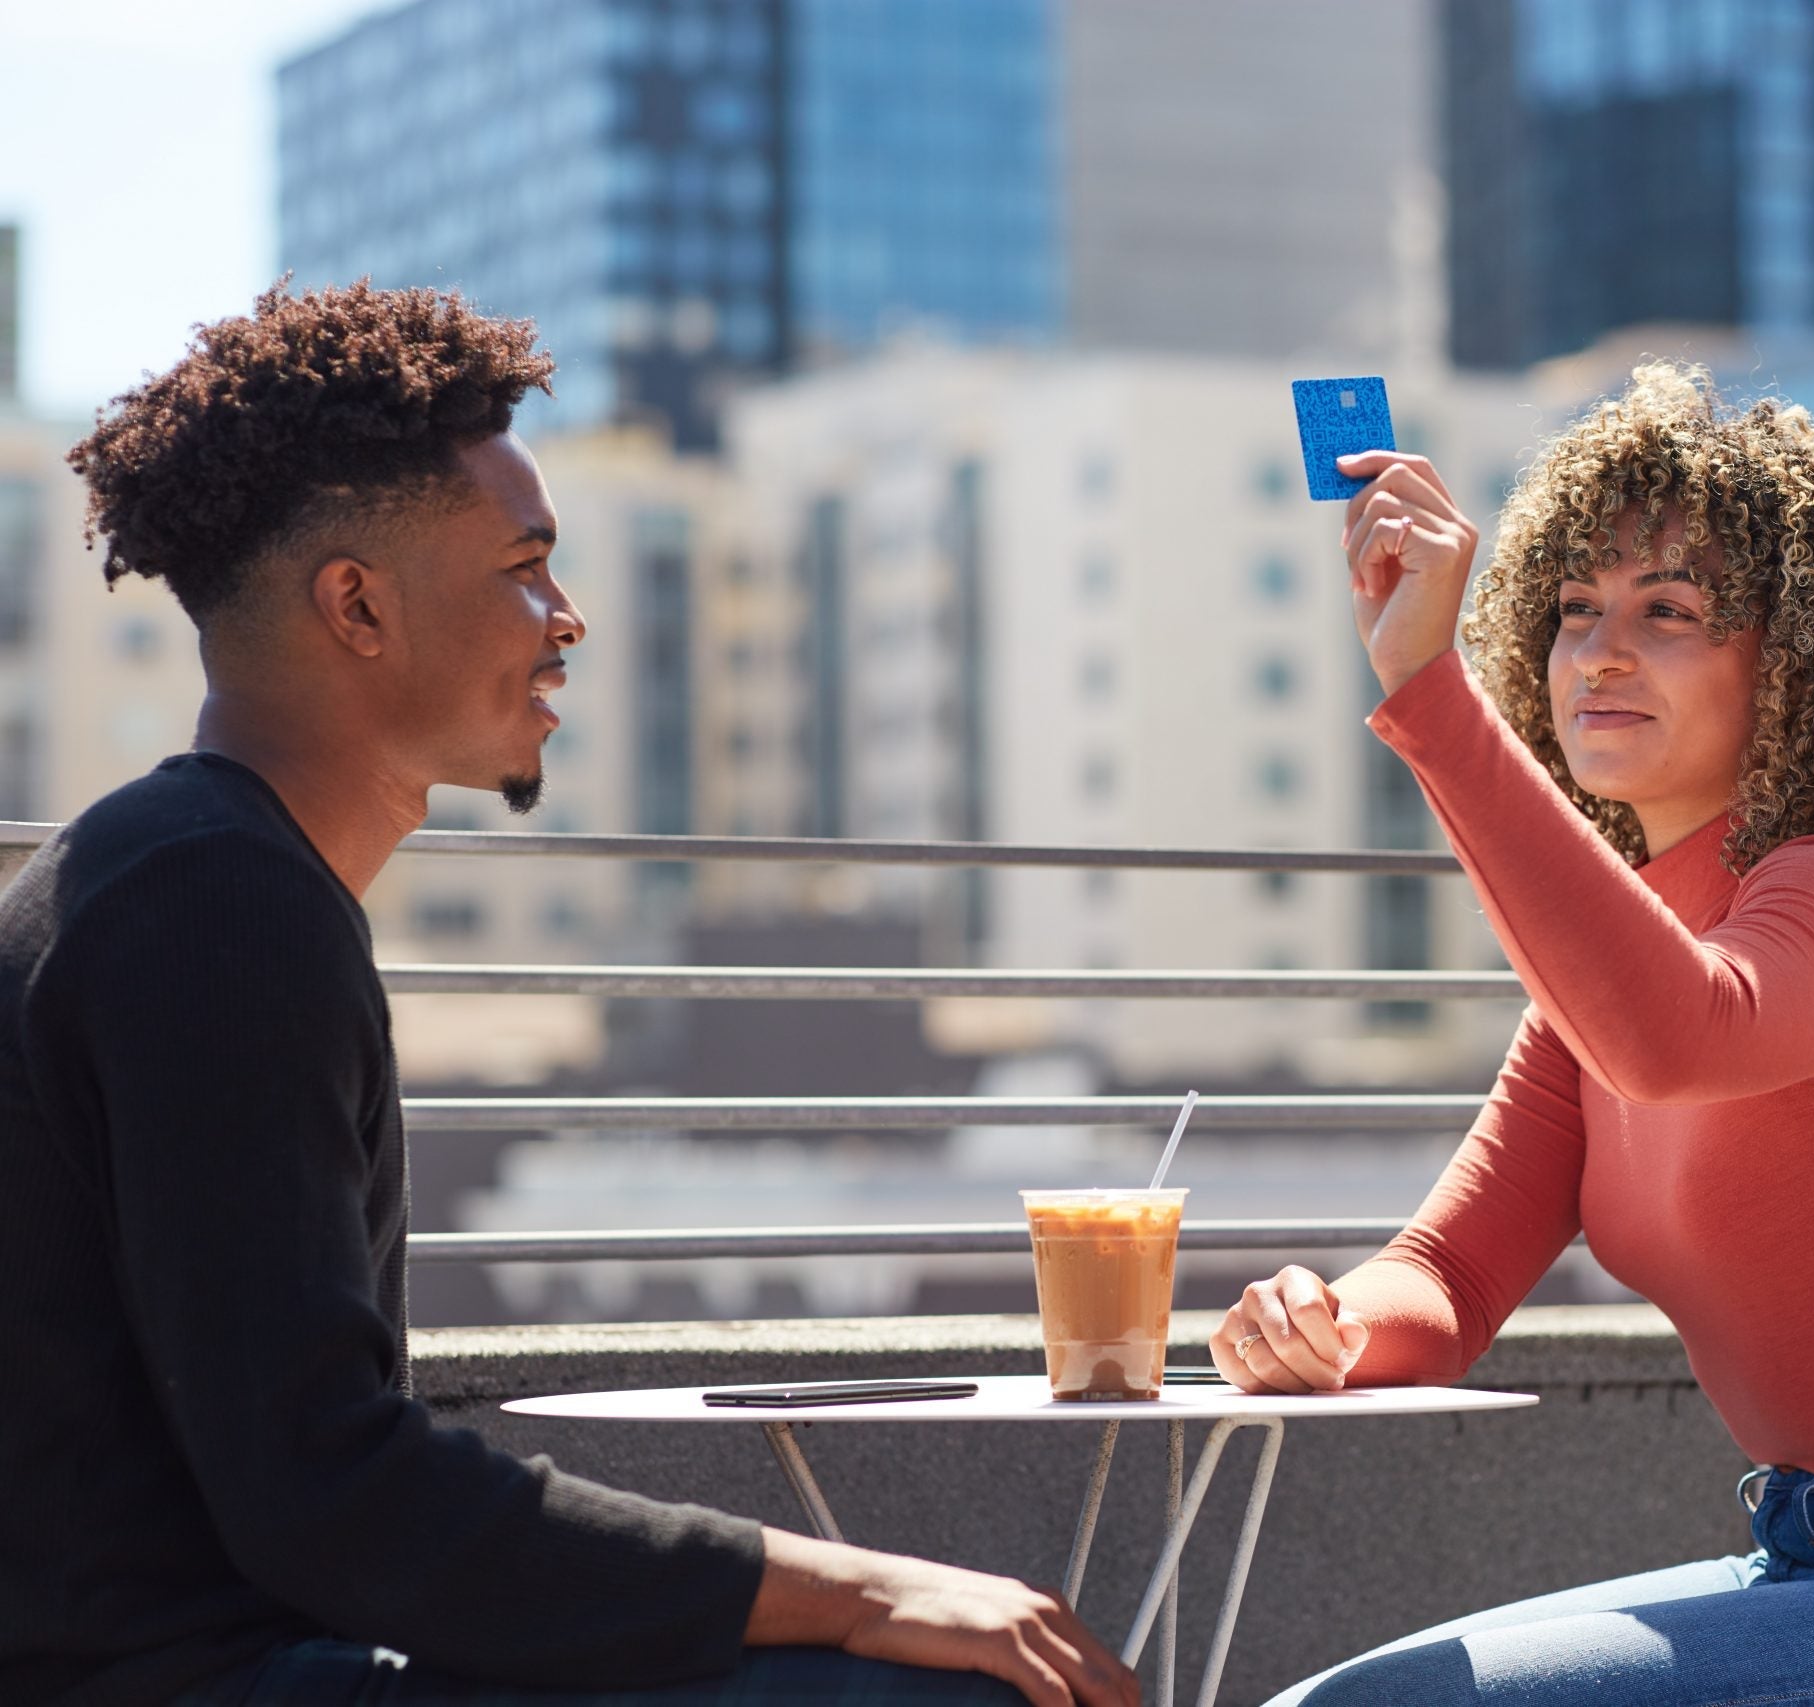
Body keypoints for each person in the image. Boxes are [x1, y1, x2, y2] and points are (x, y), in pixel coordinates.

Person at [0, 282, 1135, 1707]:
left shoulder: (178, 872)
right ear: (356, 604)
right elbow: (329, 1490)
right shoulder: (213, 909)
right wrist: (863, 1590)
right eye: (524, 567)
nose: (569, 619)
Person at [1212, 366, 1814, 1707]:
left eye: (1669, 612)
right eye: (1574, 611)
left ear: (1799, 664)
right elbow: (1444, 1277)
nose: (1601, 653)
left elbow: (1678, 1036)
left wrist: (1432, 697)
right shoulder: (1603, 972)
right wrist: (1325, 1322)